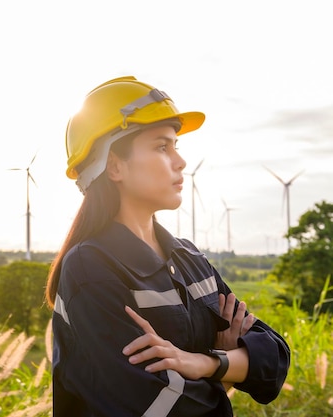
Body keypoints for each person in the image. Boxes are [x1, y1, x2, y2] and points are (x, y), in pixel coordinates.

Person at [45, 76, 290, 417]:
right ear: (113, 165)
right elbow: (154, 406)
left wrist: (202, 364)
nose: (180, 162)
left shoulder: (190, 258)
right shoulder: (90, 270)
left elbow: (275, 359)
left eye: (176, 146)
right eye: (162, 147)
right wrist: (231, 372)